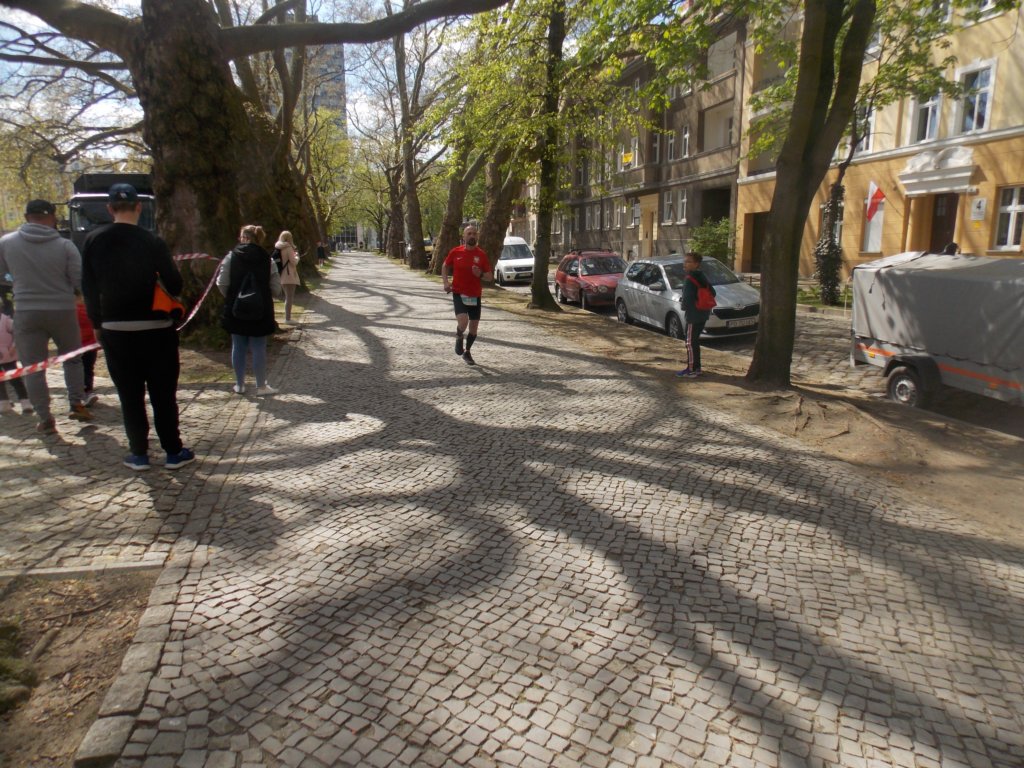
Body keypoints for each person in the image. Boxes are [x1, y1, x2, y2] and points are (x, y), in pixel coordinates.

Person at [81, 183, 194, 471]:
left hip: (115, 329)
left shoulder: (93, 241)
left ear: (109, 208)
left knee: (129, 396)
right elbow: (175, 284)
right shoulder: (152, 241)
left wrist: (97, 323)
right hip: (156, 328)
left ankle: (139, 453)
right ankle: (173, 451)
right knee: (163, 394)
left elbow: (88, 288)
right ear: (139, 207)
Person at [0, 198, 92, 433]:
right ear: (52, 217)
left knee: (33, 367)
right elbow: (78, 280)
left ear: (26, 217)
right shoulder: (66, 246)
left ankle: (45, 417)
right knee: (72, 358)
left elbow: (2, 276)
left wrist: (18, 282)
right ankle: (77, 403)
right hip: (63, 310)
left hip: (26, 311)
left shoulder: (6, 243)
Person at [217, 224, 281, 396]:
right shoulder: (268, 259)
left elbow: (221, 282)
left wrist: (232, 296)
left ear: (243, 238)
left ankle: (240, 384)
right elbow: (276, 288)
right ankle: (261, 386)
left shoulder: (231, 257)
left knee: (238, 346)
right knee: (259, 346)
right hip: (261, 309)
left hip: (236, 308)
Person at [441, 224, 492, 366]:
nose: (472, 236)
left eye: (474, 233)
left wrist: (480, 274)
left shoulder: (481, 255)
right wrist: (446, 282)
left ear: (477, 236)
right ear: (463, 236)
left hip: (475, 295)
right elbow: (445, 266)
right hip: (459, 292)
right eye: (469, 233)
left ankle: (467, 352)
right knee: (463, 322)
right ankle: (459, 336)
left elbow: (489, 277)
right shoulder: (456, 252)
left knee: (473, 329)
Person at [675, 252, 716, 378]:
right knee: (695, 341)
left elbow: (687, 299)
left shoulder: (689, 279)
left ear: (696, 264)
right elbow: (713, 292)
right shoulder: (702, 276)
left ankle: (692, 369)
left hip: (693, 315)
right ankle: (697, 368)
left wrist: (684, 306)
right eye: (685, 261)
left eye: (688, 262)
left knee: (689, 342)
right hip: (703, 313)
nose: (685, 264)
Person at [0, 294, 33, 414]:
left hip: (8, 356)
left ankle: (25, 402)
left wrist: (14, 347)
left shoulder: (5, 320)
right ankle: (4, 402)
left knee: (15, 379)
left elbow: (18, 332)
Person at [75, 298, 100, 406]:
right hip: (89, 346)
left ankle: (84, 393)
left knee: (78, 369)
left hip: (77, 347)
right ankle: (87, 391)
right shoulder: (89, 310)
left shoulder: (71, 311)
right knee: (88, 369)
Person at [275, 230, 300, 322]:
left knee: (287, 297)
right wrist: (297, 257)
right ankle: (287, 319)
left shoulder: (278, 247)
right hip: (289, 274)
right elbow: (293, 262)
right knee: (289, 298)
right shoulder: (288, 248)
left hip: (281, 274)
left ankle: (287, 318)